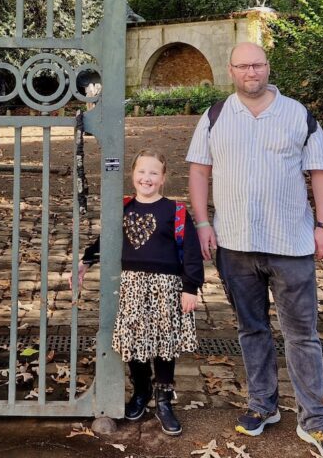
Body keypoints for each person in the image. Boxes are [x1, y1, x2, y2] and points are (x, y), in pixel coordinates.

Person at [186, 42, 323, 458]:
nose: (250, 72)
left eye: (257, 64)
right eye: (242, 66)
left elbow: (320, 172)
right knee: (251, 329)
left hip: (290, 244)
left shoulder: (297, 114)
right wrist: (203, 223)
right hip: (235, 243)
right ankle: (263, 405)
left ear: (267, 66)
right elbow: (199, 172)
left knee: (302, 334)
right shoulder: (215, 116)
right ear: (231, 70)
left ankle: (314, 419)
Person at [72, 150, 203, 436]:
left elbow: (192, 253)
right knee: (135, 341)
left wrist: (190, 287)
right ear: (133, 174)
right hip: (132, 285)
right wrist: (86, 260)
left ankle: (165, 399)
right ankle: (142, 391)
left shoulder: (175, 211)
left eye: (154, 173)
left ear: (163, 178)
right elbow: (106, 240)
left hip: (166, 287)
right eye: (142, 172)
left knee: (164, 344)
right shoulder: (124, 208)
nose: (147, 178)